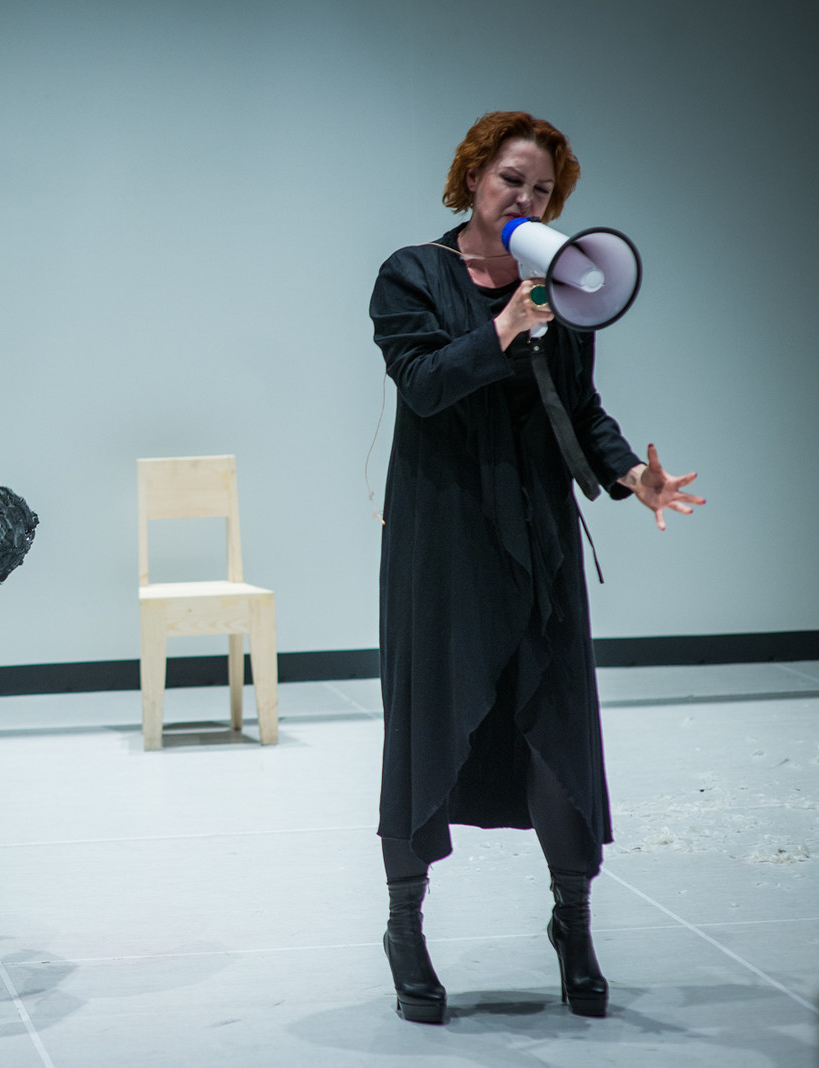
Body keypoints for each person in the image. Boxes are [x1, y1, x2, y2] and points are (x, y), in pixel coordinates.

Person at [369, 111, 704, 1024]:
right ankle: (405, 926)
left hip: (537, 534)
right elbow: (425, 385)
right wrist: (510, 322)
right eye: (512, 179)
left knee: (557, 723)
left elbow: (581, 411)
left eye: (544, 189)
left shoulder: (564, 287)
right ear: (474, 177)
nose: (526, 197)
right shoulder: (411, 275)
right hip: (442, 540)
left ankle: (574, 922)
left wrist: (633, 476)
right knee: (428, 723)